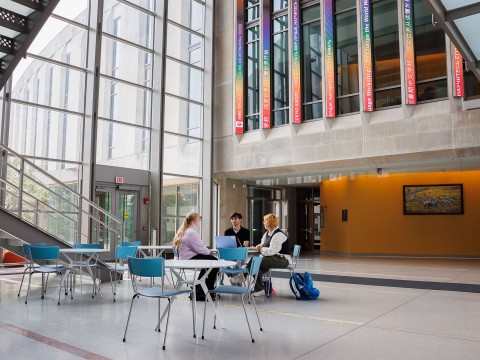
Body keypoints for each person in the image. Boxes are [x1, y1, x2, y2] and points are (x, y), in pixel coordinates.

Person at [233, 213, 291, 297]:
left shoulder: (278, 235)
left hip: (282, 259)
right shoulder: (267, 233)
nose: (263, 223)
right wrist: (254, 247)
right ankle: (259, 289)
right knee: (257, 269)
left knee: (255, 260)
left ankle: (243, 275)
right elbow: (262, 245)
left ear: (269, 223)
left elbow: (271, 251)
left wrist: (260, 248)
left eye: (264, 221)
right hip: (271, 258)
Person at [172, 212, 218, 301]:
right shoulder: (192, 233)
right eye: (199, 220)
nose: (200, 222)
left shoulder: (185, 231)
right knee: (214, 263)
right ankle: (205, 291)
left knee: (209, 265)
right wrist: (209, 251)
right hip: (189, 259)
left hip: (185, 258)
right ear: (195, 220)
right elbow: (202, 250)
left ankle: (200, 289)